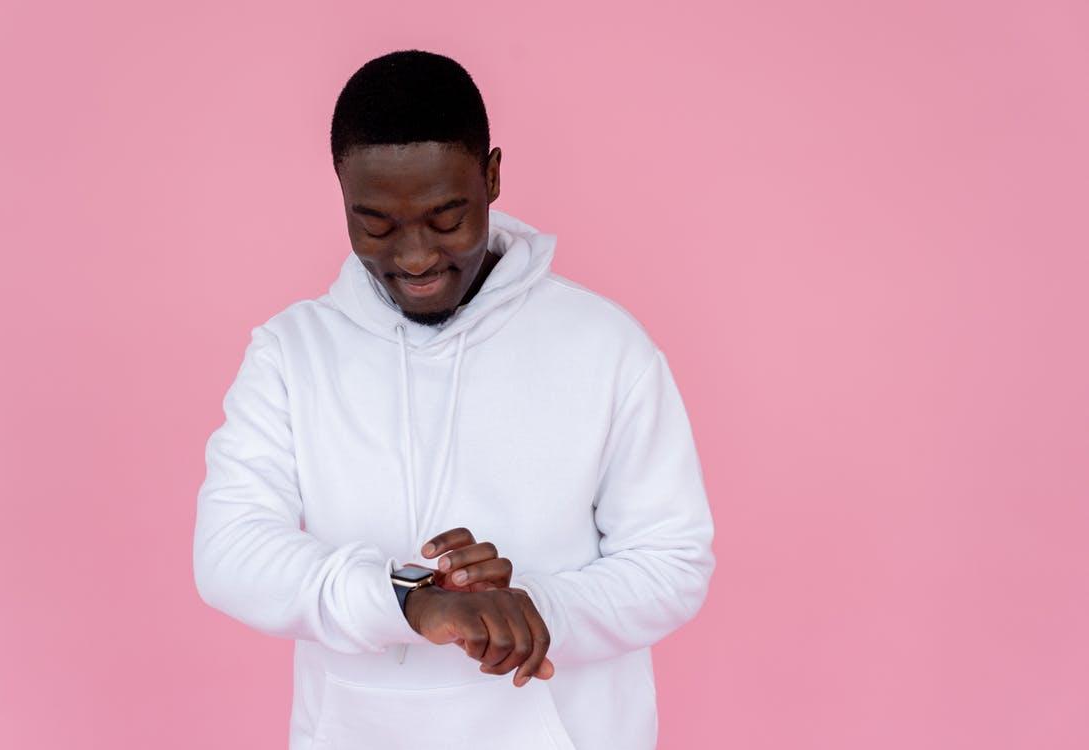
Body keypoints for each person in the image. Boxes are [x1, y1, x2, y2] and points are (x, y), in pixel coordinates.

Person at [193, 48, 716, 750]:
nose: (413, 258)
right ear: (342, 193)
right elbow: (229, 552)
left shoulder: (606, 346)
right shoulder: (291, 353)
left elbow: (672, 559)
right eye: (376, 224)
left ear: (492, 176)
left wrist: (532, 607)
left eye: (446, 218)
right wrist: (408, 600)